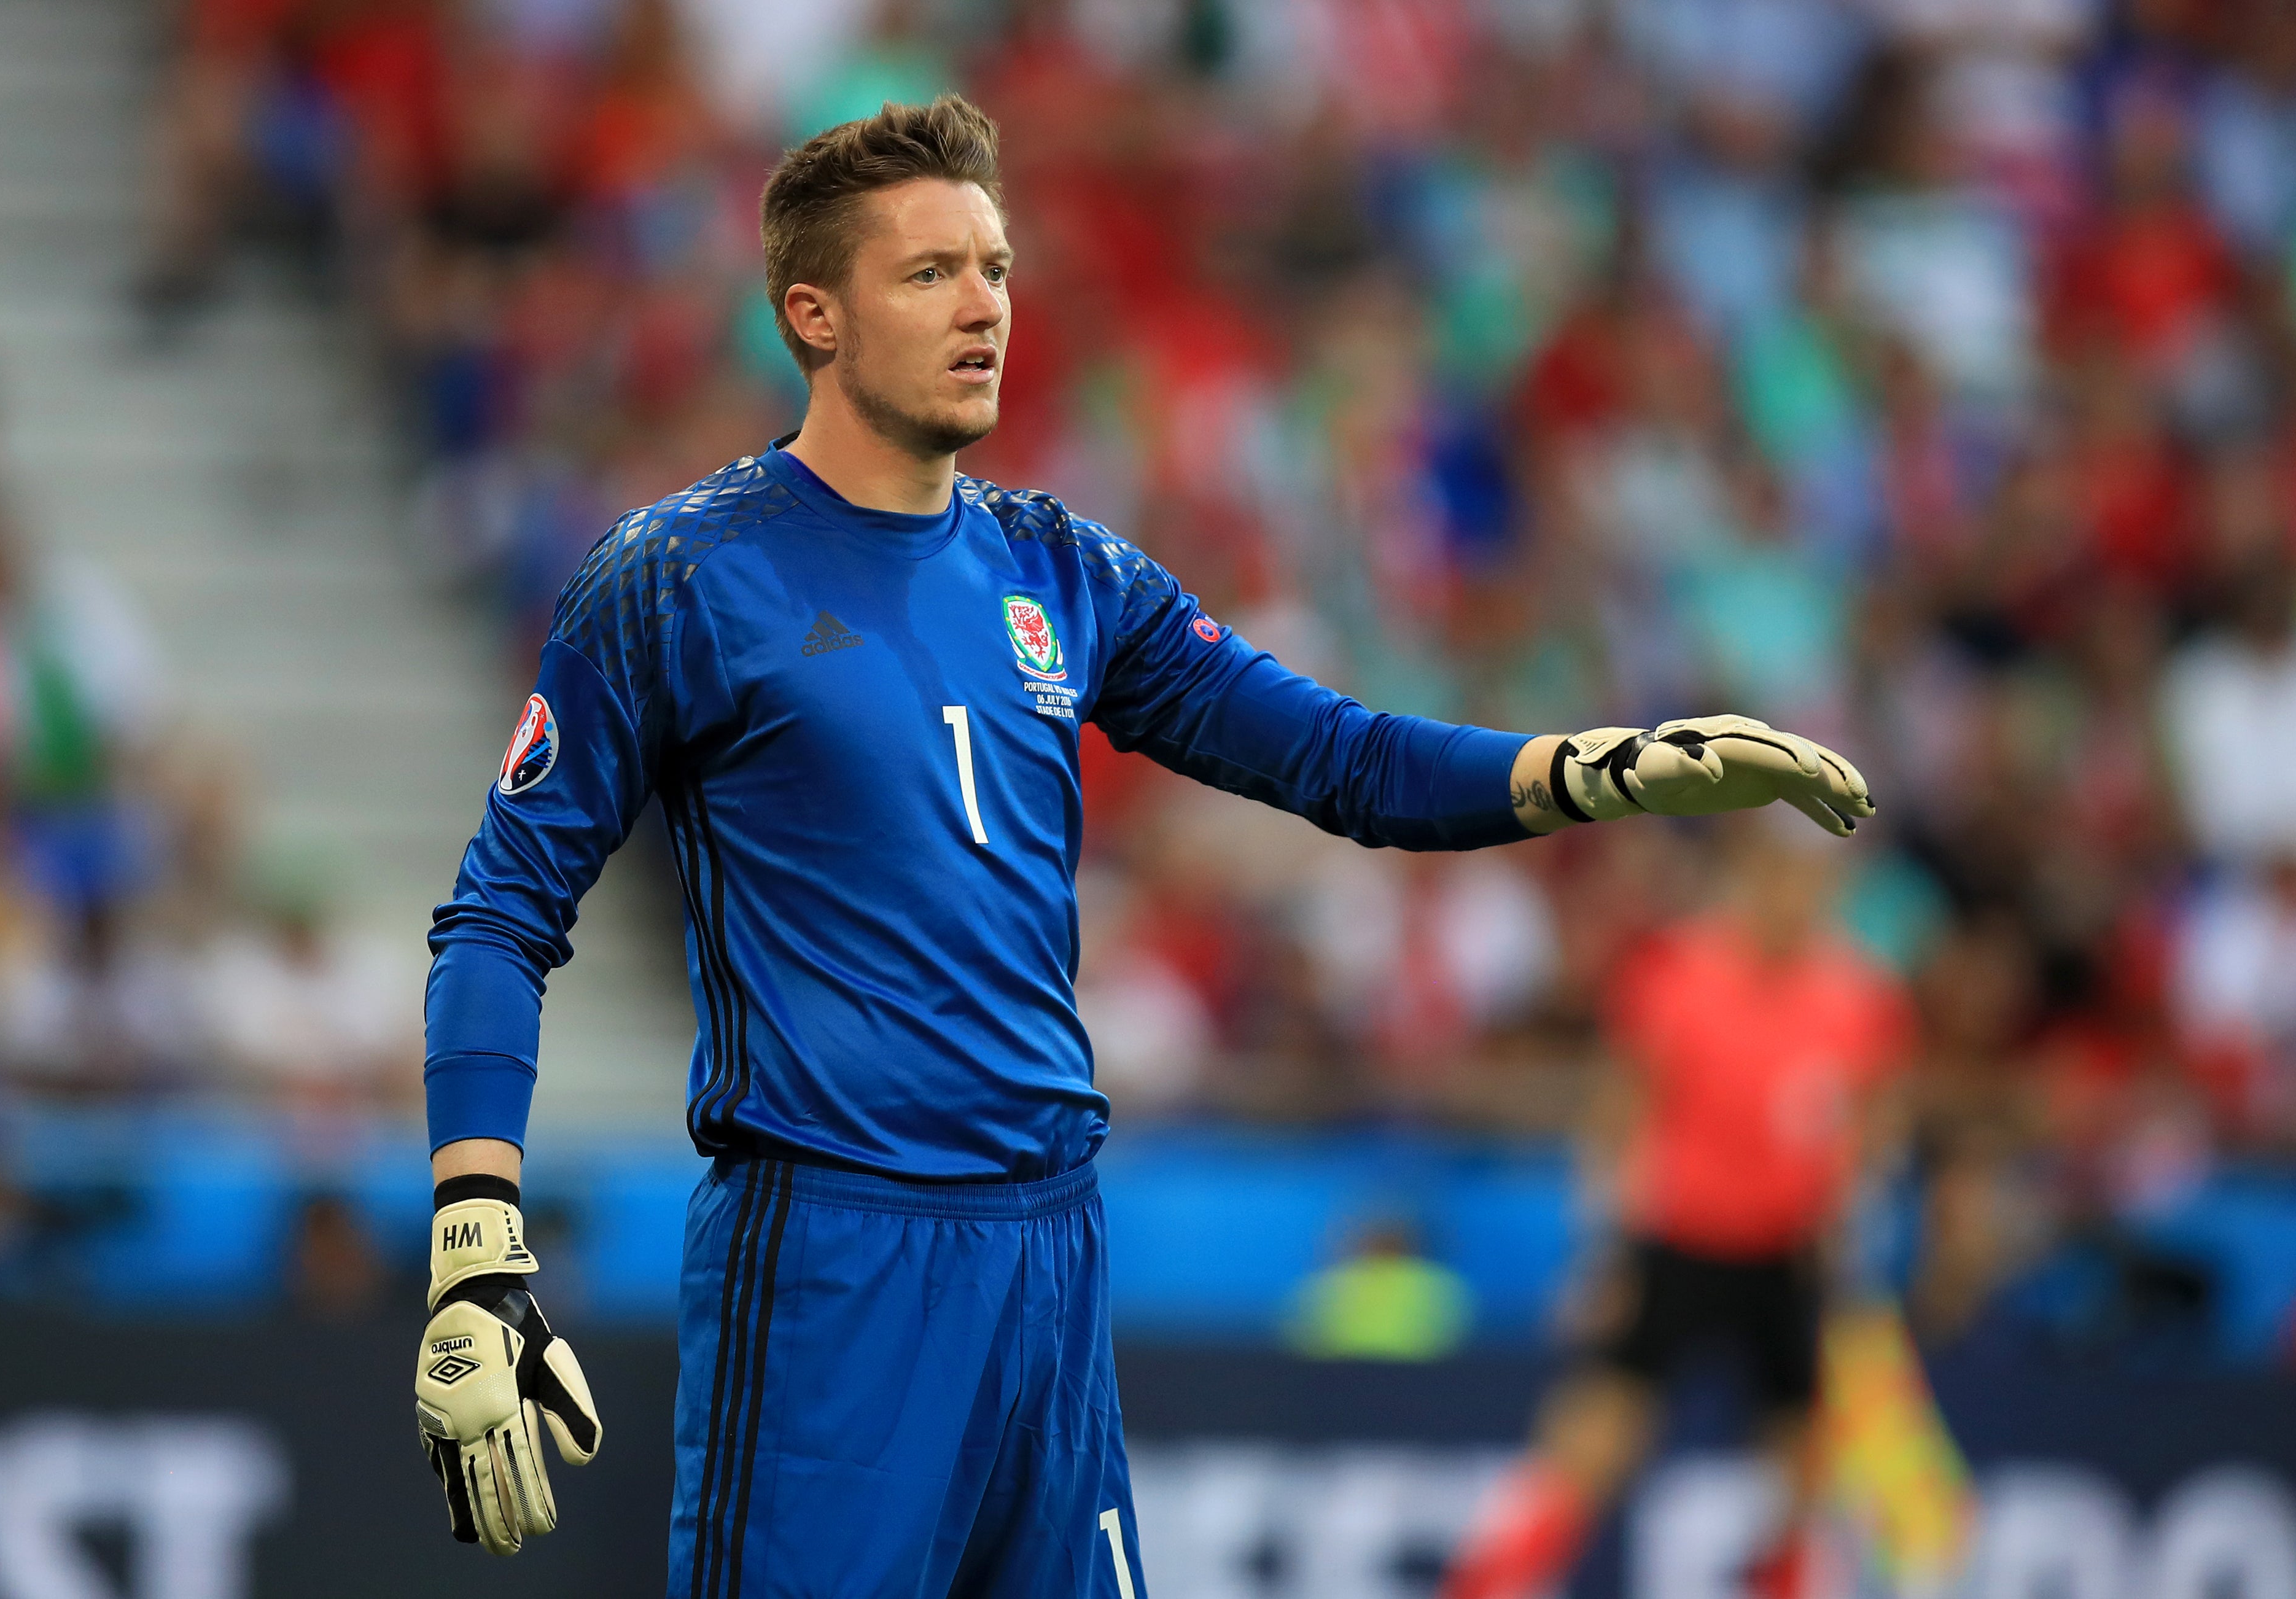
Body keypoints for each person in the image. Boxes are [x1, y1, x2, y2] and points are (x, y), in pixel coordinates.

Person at [408, 95, 1875, 1596]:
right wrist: (475, 1235)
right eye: (928, 273)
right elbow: (500, 916)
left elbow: (1342, 760)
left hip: (1048, 1254)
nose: (983, 303)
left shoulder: (1060, 565)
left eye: (995, 266)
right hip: (834, 1258)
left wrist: (1606, 770)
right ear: (814, 315)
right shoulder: (679, 576)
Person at [1436, 818, 1910, 1599]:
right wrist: (1606, 1248)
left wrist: (1857, 1221)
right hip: (1680, 1243)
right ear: (1750, 878)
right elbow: (1621, 1116)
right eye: (1782, 877)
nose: (1798, 897)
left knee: (1803, 1452)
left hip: (1792, 1255)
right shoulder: (1677, 975)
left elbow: (1875, 1121)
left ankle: (1785, 1583)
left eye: (1815, 881)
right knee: (1595, 1434)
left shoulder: (1859, 997)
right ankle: (1488, 1585)